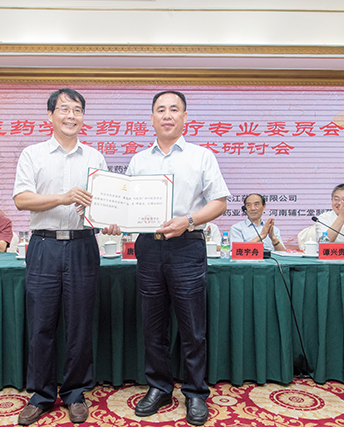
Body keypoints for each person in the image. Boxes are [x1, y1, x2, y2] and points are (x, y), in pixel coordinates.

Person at [126, 90, 229, 426]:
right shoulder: (139, 161)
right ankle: (159, 387)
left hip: (187, 245)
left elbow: (219, 202)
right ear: (152, 118)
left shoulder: (202, 156)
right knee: (153, 324)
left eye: (174, 109)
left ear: (185, 117)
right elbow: (127, 205)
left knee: (192, 326)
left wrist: (190, 220)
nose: (167, 115)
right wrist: (115, 220)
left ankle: (195, 392)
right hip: (149, 246)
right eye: (161, 109)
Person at [13, 88, 107, 425]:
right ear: (50, 115)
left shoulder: (95, 157)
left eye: (77, 110)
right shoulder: (33, 154)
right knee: (41, 324)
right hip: (45, 246)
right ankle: (40, 395)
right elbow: (22, 200)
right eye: (64, 109)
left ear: (83, 117)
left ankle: (75, 392)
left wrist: (110, 220)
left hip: (83, 245)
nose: (71, 115)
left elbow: (104, 203)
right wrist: (63, 197)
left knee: (80, 324)